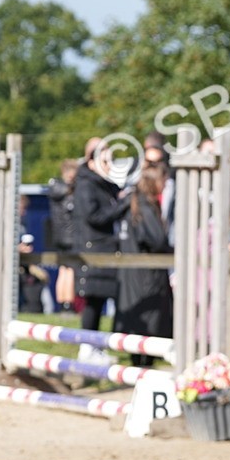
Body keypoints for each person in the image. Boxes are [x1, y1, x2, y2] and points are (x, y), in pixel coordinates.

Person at [73, 137, 130, 362]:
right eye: (105, 160)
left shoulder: (102, 184)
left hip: (103, 248)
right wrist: (123, 205)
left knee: (98, 299)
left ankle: (94, 346)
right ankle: (87, 348)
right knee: (93, 300)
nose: (110, 165)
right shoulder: (87, 184)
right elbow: (94, 217)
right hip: (93, 249)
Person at [115, 166, 173, 367]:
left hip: (132, 272)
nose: (165, 186)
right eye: (163, 181)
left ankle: (137, 361)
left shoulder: (133, 204)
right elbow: (156, 240)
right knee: (150, 318)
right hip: (148, 274)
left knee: (136, 318)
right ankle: (145, 362)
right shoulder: (145, 207)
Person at [48, 158, 79, 312]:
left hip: (59, 236)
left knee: (63, 269)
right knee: (70, 270)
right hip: (69, 237)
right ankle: (68, 304)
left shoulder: (55, 187)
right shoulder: (66, 189)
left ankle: (62, 303)